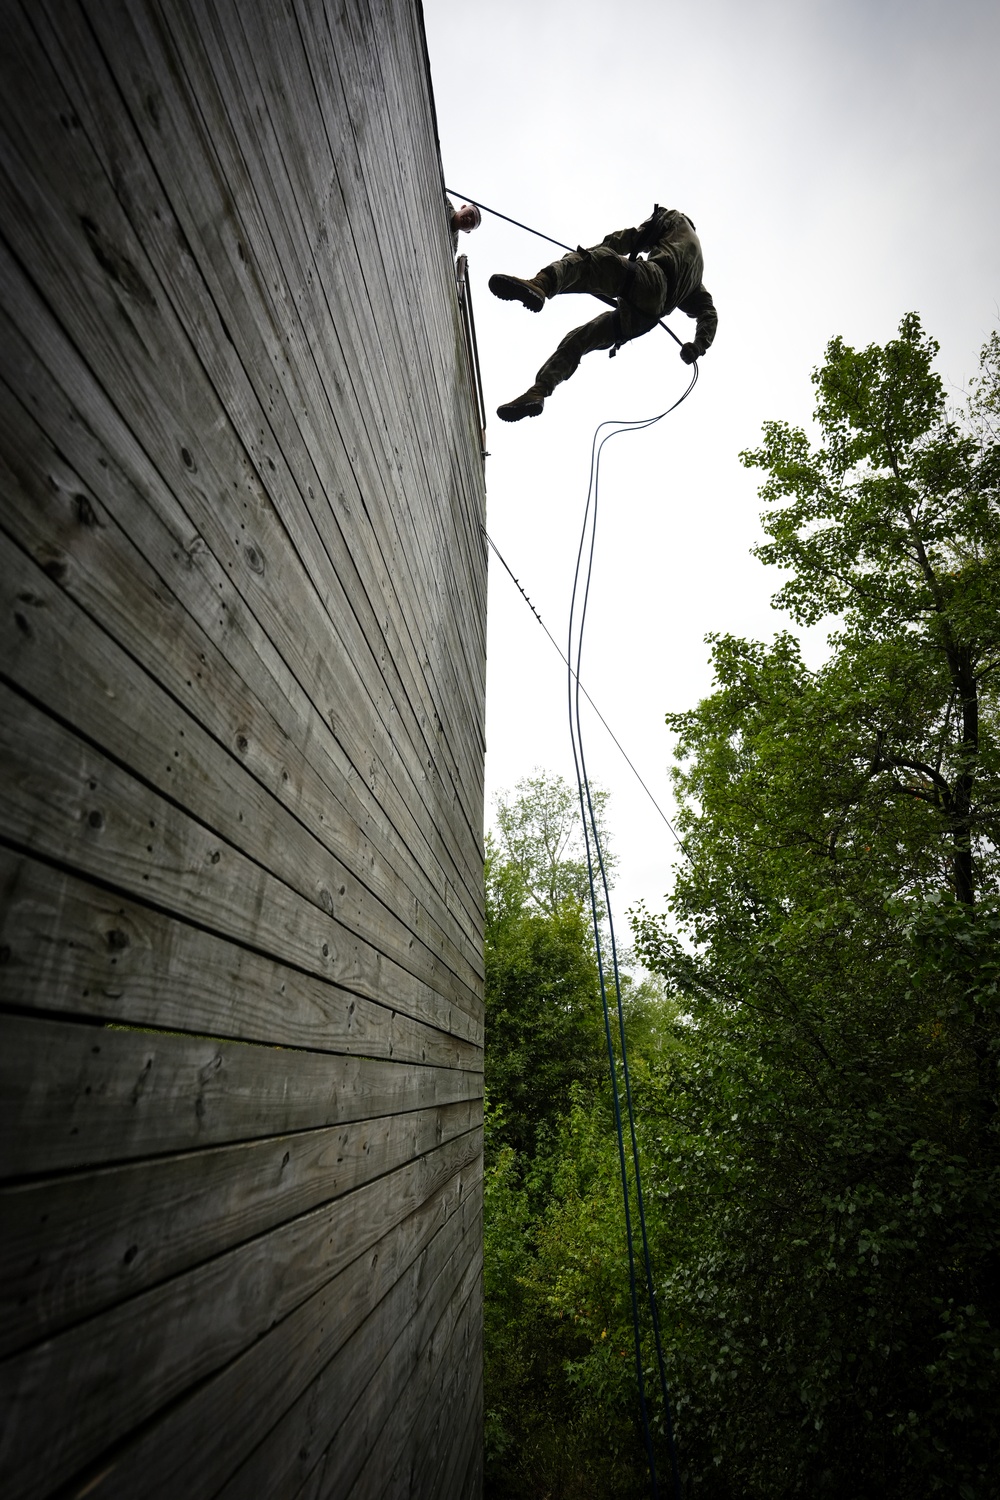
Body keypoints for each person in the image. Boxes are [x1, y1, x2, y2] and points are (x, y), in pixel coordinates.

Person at [489, 206, 717, 421]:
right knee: (579, 339)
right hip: (646, 319)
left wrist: (592, 253)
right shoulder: (697, 273)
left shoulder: (675, 218)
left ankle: (541, 284)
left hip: (652, 280)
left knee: (586, 265)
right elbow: (708, 312)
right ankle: (539, 392)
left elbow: (631, 238)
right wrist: (698, 345)